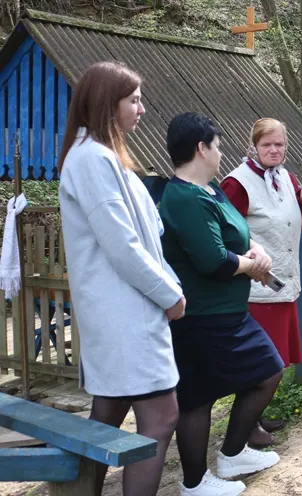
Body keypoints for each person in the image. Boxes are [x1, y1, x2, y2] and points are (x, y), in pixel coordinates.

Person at [58, 61, 186, 496]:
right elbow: (123, 246)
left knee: (108, 415)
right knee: (161, 417)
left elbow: (146, 239)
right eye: (133, 100)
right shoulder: (92, 159)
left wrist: (168, 286)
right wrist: (169, 295)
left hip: (123, 310)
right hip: (125, 312)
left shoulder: (101, 156)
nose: (141, 109)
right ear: (106, 104)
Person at [159, 112, 283, 496]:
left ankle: (233, 453)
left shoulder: (210, 189)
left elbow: (236, 232)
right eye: (217, 145)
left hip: (228, 312)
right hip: (202, 315)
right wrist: (251, 265)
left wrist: (255, 249)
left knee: (267, 371)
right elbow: (212, 260)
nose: (220, 152)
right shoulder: (184, 198)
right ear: (201, 148)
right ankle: (195, 483)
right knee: (198, 398)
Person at [221, 118, 302, 448]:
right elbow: (225, 232)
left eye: (279, 144)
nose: (274, 150)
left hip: (283, 282)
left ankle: (254, 417)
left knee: (274, 360)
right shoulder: (237, 184)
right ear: (253, 146)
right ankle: (245, 428)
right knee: (259, 363)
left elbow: (297, 225)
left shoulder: (285, 177)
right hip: (255, 287)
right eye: (267, 144)